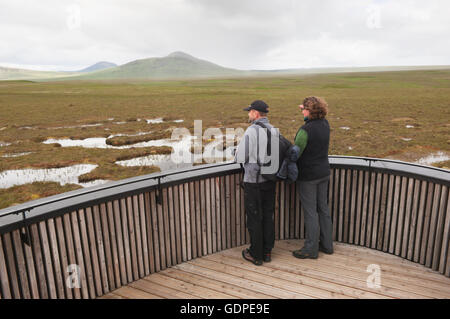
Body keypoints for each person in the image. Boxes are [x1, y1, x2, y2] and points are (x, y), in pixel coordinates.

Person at [234, 100, 278, 266]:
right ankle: (267, 251)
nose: (248, 114)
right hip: (270, 180)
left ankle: (256, 254)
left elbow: (241, 157)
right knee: (268, 216)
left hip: (253, 181)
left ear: (256, 113)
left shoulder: (252, 130)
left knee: (254, 217)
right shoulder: (273, 129)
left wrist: (236, 152)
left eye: (250, 111)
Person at [292, 96, 334, 259]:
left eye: (303, 109)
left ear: (309, 111)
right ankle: (327, 245)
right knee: (323, 209)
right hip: (324, 172)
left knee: (311, 212)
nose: (301, 111)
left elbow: (296, 153)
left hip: (308, 176)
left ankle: (310, 249)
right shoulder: (325, 124)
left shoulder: (305, 130)